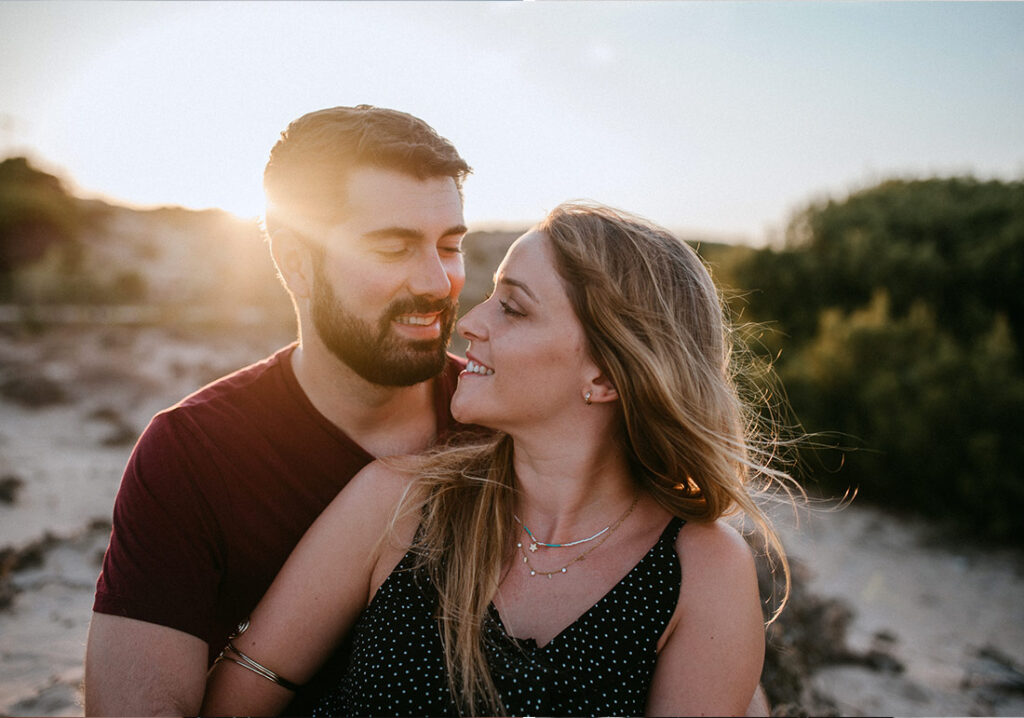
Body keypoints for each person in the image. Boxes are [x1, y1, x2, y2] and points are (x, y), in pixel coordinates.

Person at [201, 202, 794, 717]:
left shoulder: (702, 570)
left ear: (607, 375)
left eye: (512, 308)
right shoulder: (401, 501)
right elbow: (245, 690)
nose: (471, 324)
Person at [84, 105, 474, 716]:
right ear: (296, 263)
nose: (437, 281)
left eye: (449, 246)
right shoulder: (193, 454)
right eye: (393, 247)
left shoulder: (505, 420)